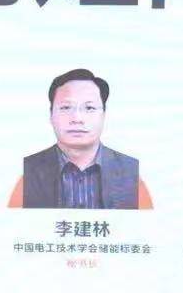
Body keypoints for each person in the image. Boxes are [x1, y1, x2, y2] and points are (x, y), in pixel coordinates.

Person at [10, 68, 153, 210]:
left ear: (104, 115)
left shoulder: (133, 171)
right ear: (51, 115)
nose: (77, 119)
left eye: (89, 108)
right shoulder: (25, 171)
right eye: (66, 107)